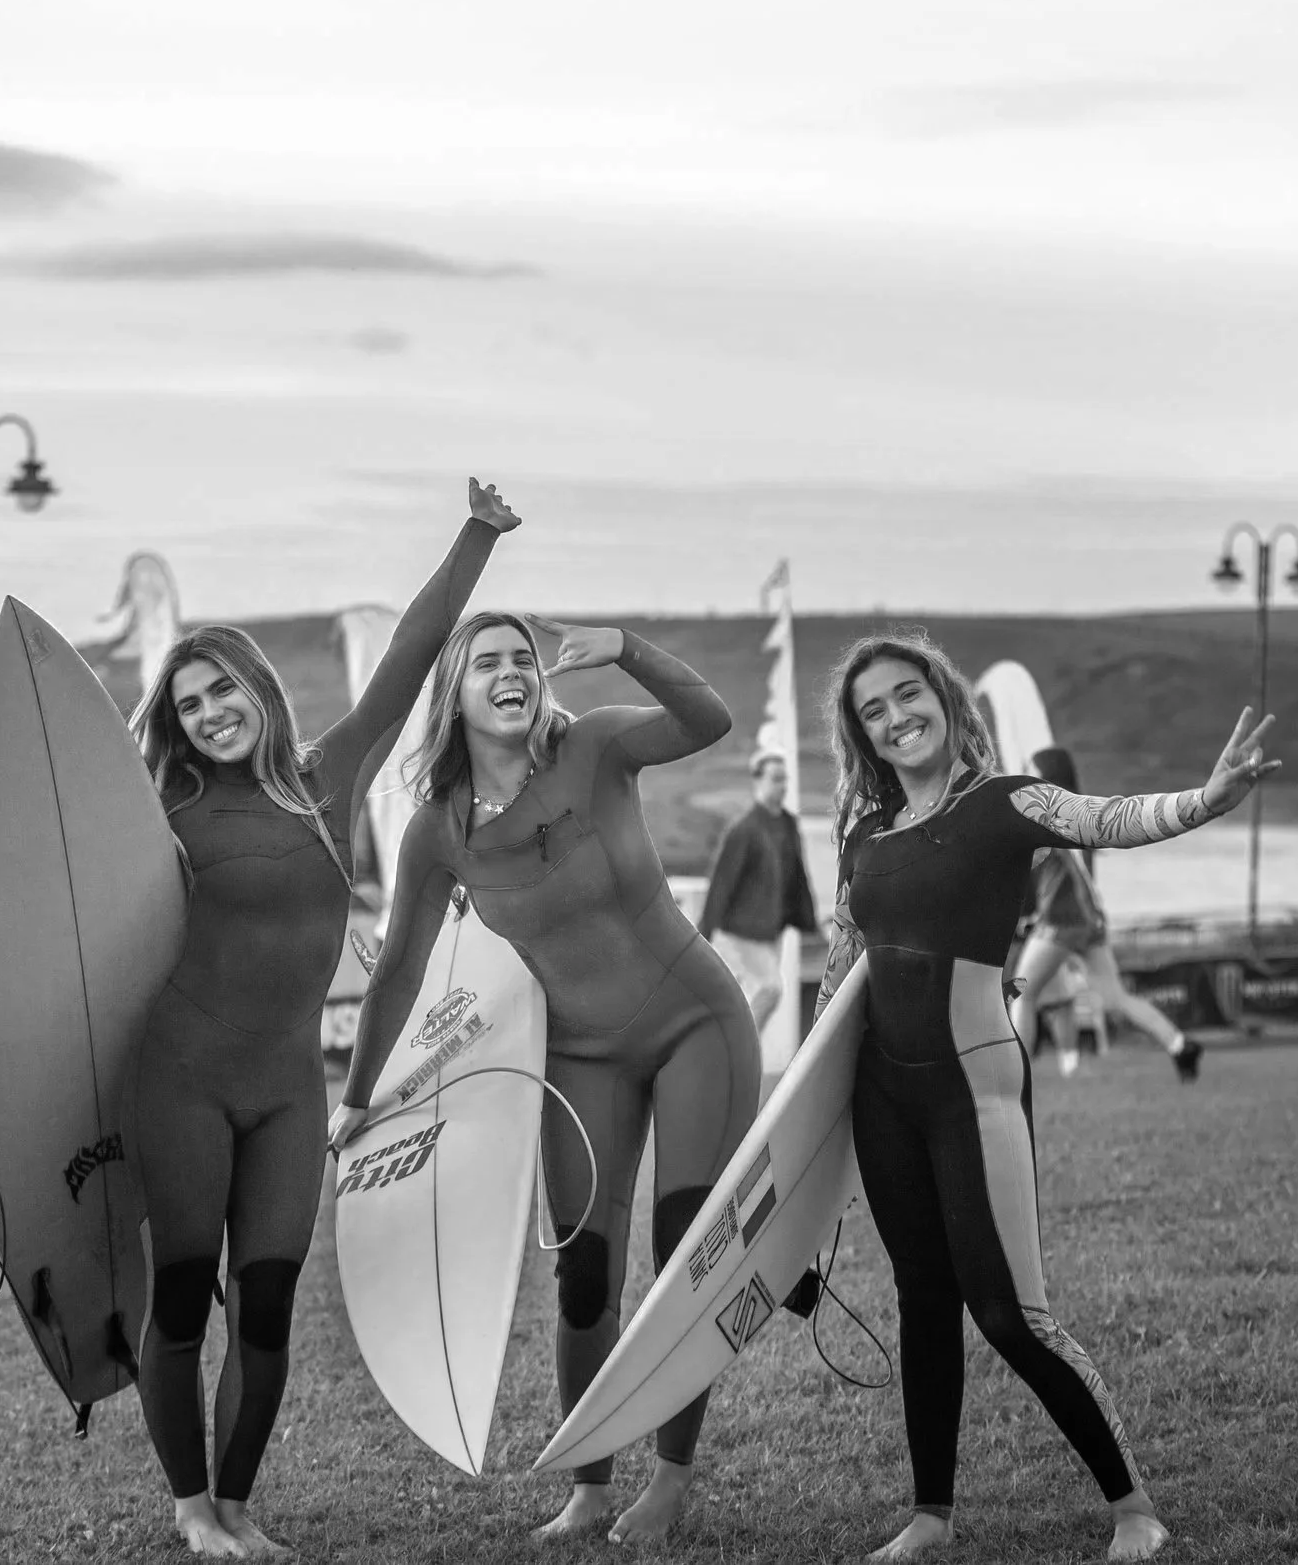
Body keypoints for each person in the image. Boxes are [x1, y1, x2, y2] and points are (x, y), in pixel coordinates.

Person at [816, 631, 1279, 1562]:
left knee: (1009, 1313)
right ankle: (929, 1515)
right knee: (920, 1297)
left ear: (946, 700)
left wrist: (1204, 800)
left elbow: (1105, 817)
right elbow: (842, 959)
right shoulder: (862, 835)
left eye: (909, 695)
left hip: (969, 1089)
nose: (896, 717)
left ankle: (1133, 1508)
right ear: (861, 736)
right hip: (879, 1090)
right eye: (874, 710)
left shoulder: (1002, 802)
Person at [127, 480, 518, 1558]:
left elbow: (414, 648)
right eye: (191, 702)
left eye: (224, 692)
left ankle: (239, 1504)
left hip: (288, 1088)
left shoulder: (323, 781)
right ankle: (190, 1507)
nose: (211, 713)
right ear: (175, 720)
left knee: (266, 1299)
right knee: (181, 1296)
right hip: (179, 1081)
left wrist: (478, 534)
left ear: (259, 690)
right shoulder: (156, 809)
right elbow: (61, 927)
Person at [330, 613, 760, 1544]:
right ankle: (589, 1486)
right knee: (584, 1275)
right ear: (455, 695)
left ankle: (671, 1478)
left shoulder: (598, 747)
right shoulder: (438, 831)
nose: (509, 671)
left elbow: (709, 720)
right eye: (485, 661)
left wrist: (630, 649)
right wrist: (359, 1096)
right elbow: (400, 970)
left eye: (521, 657)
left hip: (695, 1023)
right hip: (577, 1057)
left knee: (686, 1250)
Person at [1010, 745, 1205, 1081]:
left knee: (1022, 993)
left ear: (1049, 777)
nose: (1029, 779)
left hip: (1062, 924)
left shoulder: (1050, 818)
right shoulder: (1081, 817)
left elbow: (1045, 877)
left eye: (1033, 772)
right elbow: (1072, 880)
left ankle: (1014, 1077)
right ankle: (1179, 1044)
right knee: (1116, 998)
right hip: (1090, 921)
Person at [696, 747, 819, 1036]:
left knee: (751, 995)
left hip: (771, 930)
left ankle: (737, 1053)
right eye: (776, 779)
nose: (783, 785)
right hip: (740, 931)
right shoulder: (744, 829)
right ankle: (742, 1050)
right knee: (770, 988)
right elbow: (722, 883)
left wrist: (808, 921)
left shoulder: (788, 823)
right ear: (758, 781)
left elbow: (797, 876)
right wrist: (703, 934)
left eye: (784, 778)